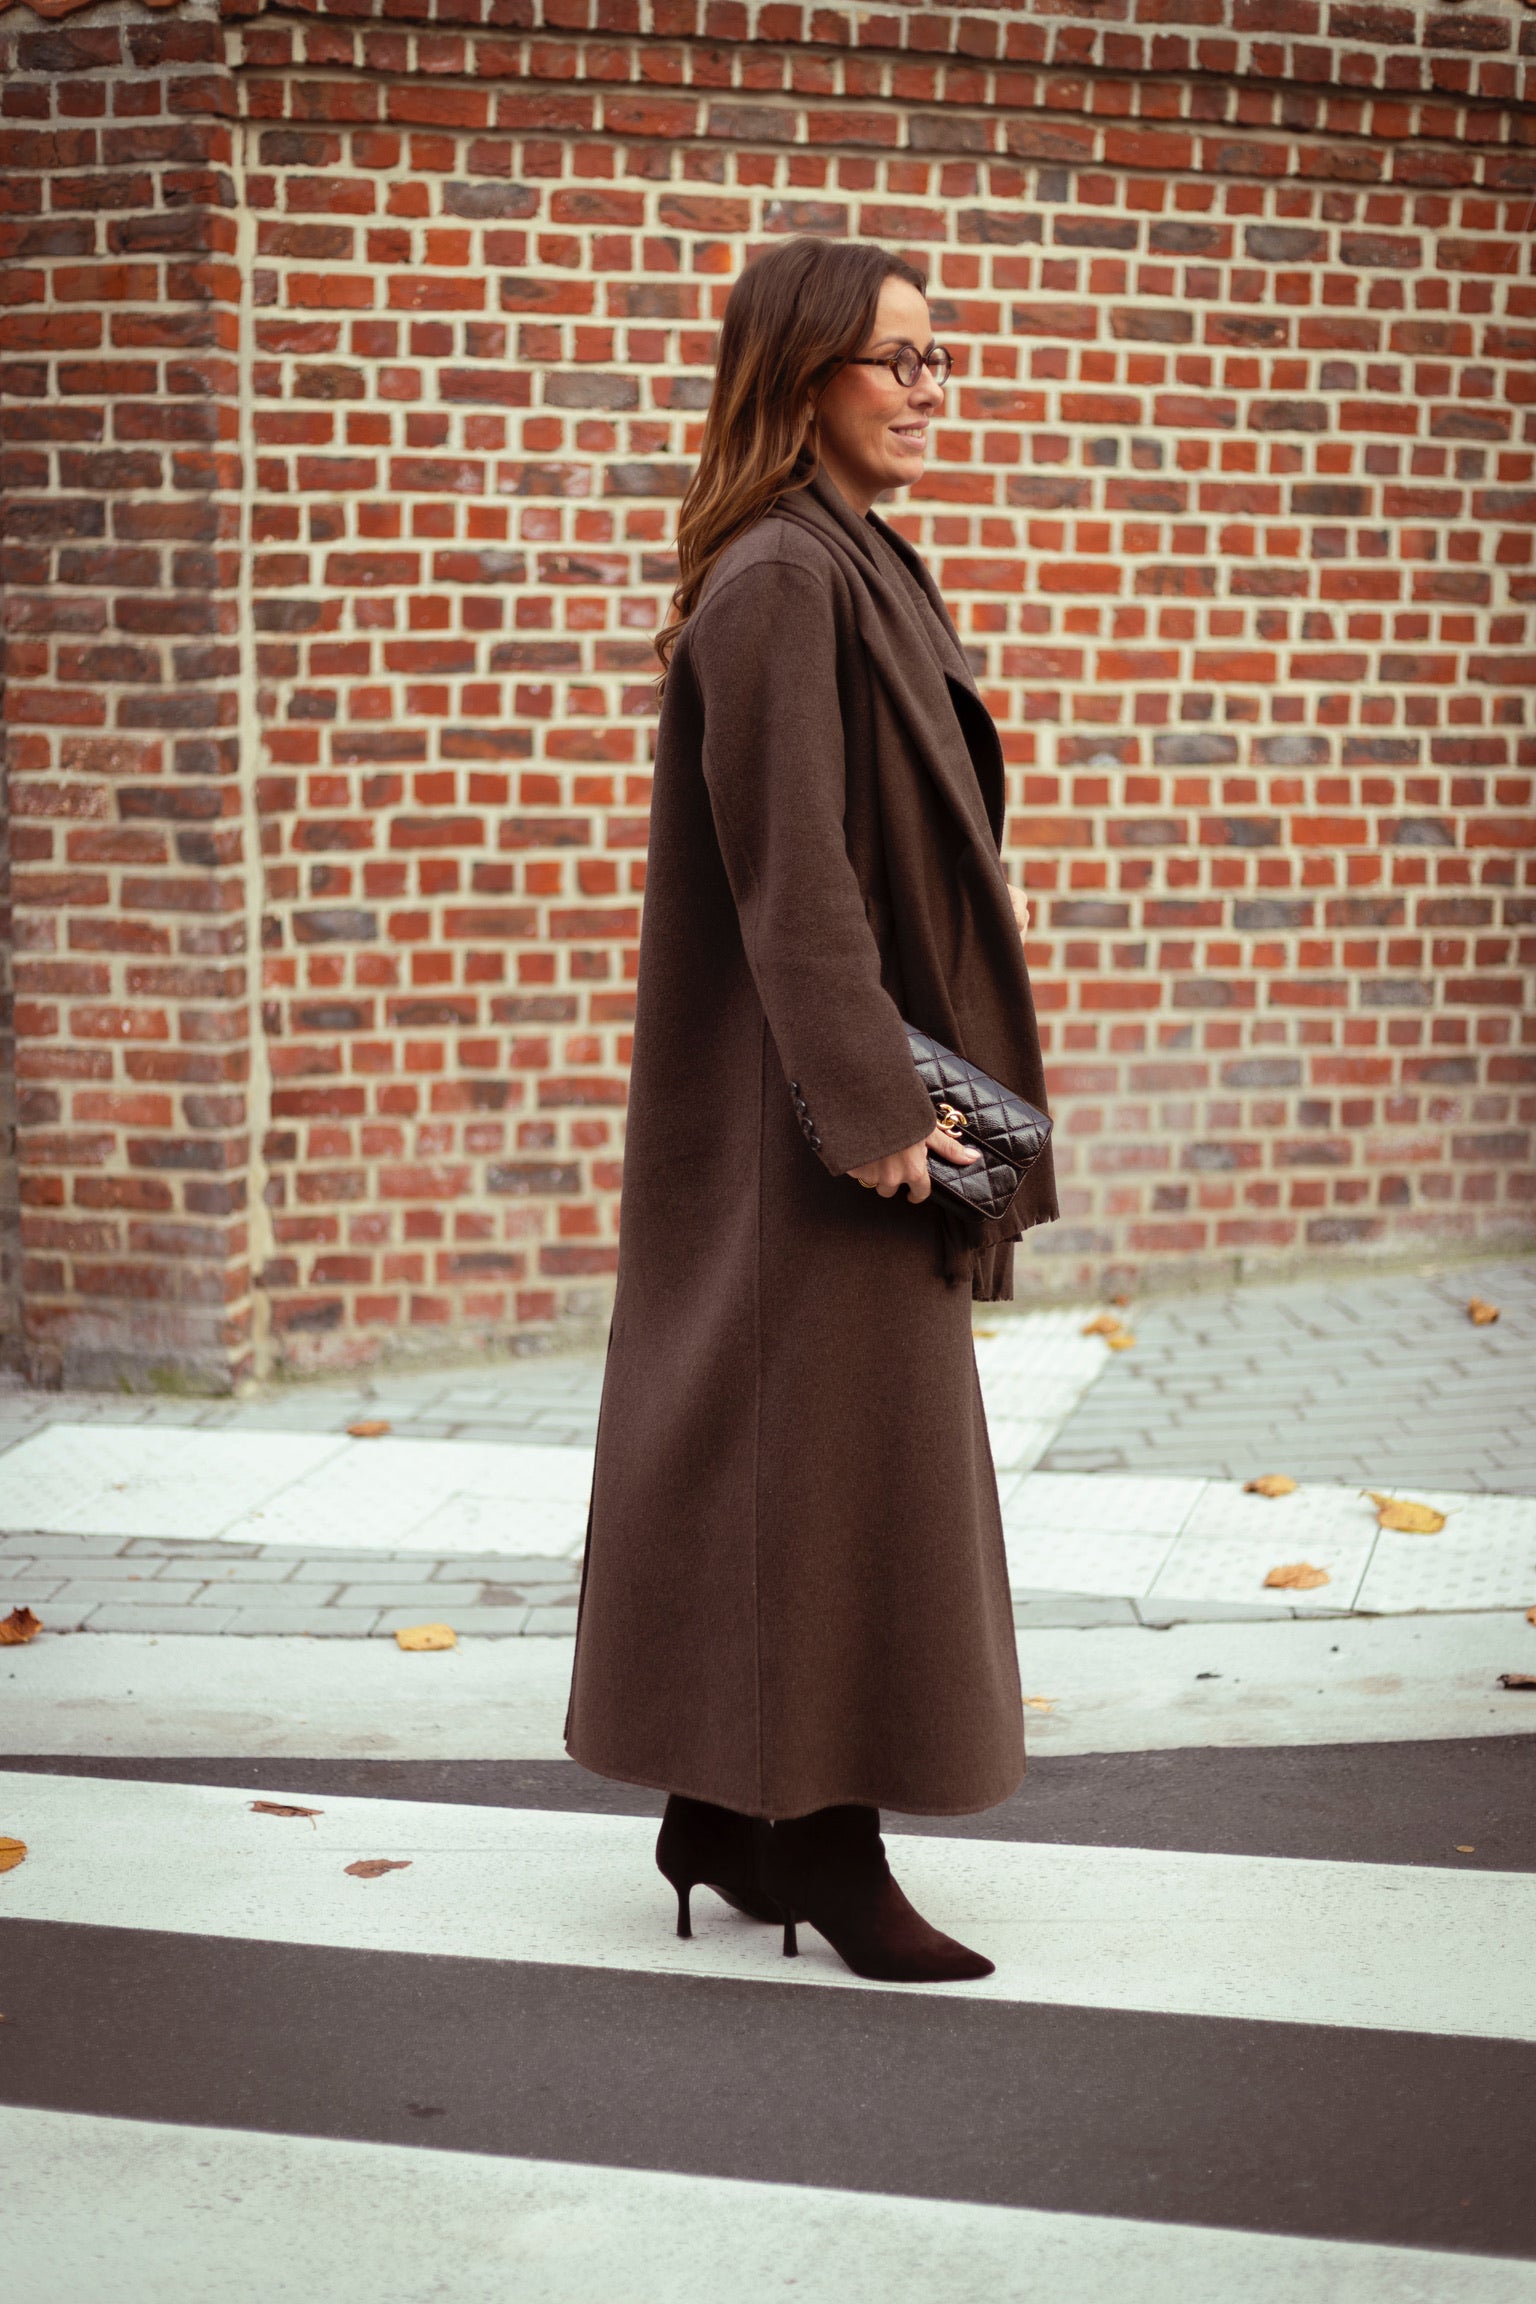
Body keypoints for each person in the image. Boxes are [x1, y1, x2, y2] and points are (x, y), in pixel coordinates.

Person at [564, 236, 1058, 1983]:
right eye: (896, 361)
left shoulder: (857, 557)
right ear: (801, 378)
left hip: (830, 1096)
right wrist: (872, 1109)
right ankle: (829, 1847)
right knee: (831, 1478)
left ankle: (722, 1814)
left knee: (795, 1467)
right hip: (812, 1120)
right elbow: (793, 870)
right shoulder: (783, 573)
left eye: (938, 355)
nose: (932, 389)